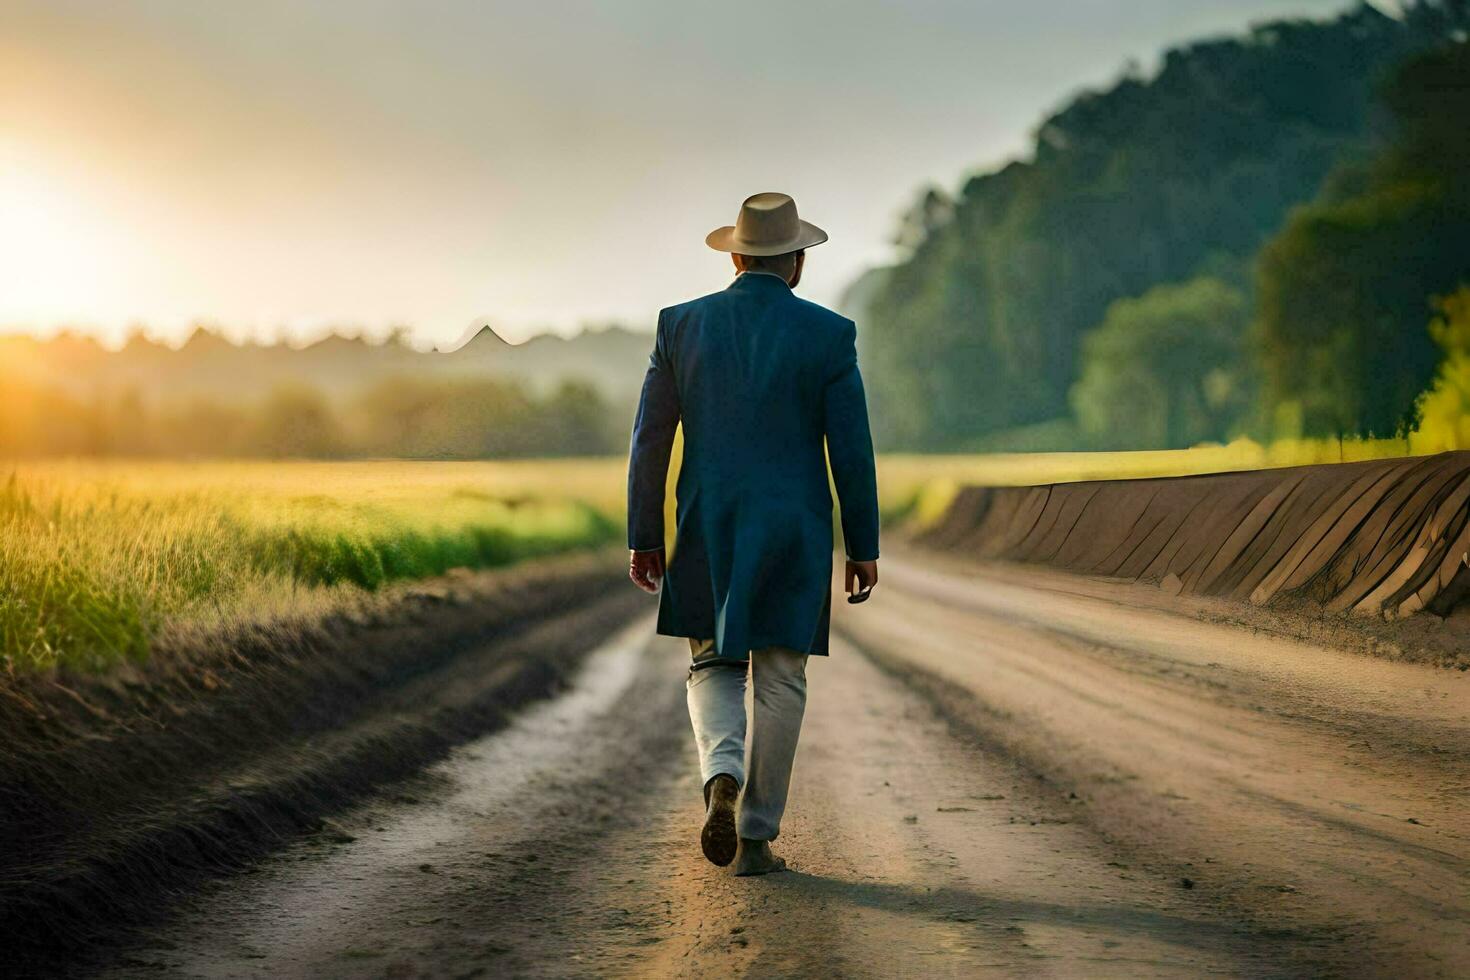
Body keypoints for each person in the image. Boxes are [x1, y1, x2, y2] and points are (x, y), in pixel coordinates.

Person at [626, 192, 880, 876]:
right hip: (795, 527)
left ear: (735, 256)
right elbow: (850, 450)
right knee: (779, 676)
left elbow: (651, 440)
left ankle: (721, 777)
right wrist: (862, 546)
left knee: (711, 661)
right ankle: (758, 836)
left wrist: (643, 534)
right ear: (796, 263)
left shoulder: (679, 326)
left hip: (707, 520)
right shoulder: (830, 335)